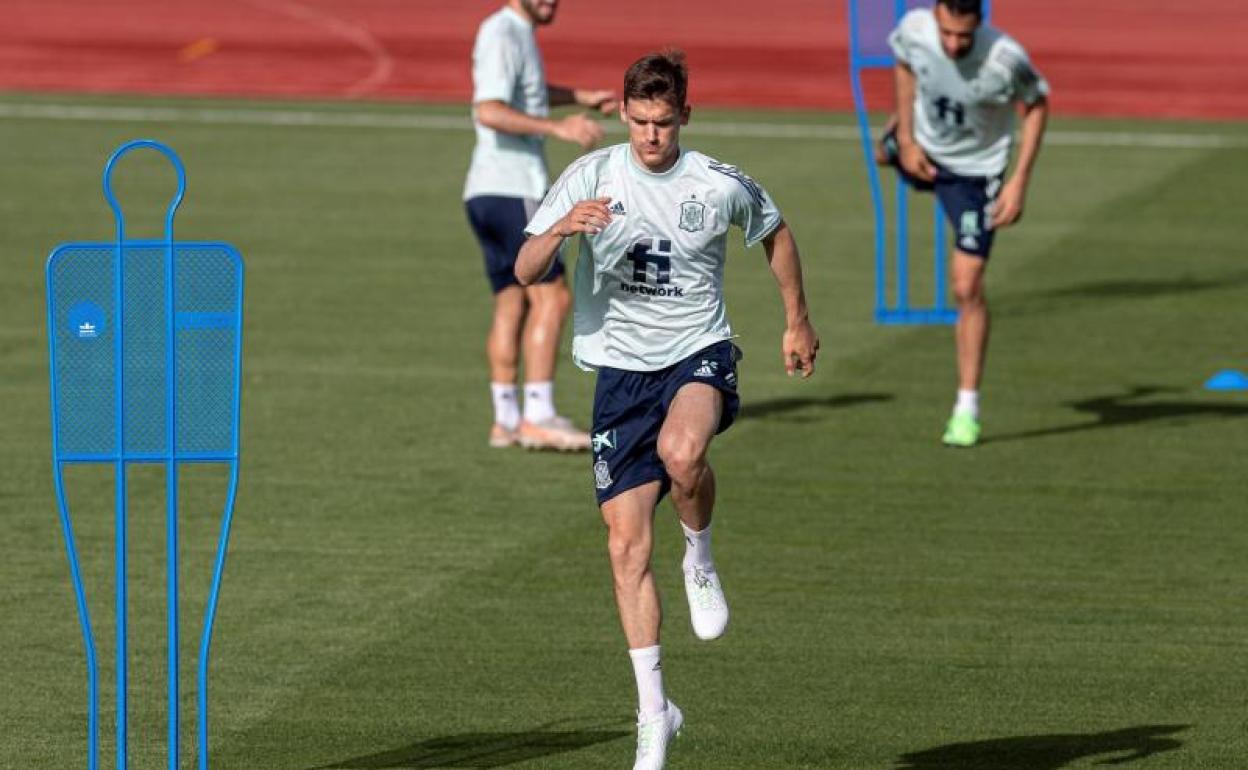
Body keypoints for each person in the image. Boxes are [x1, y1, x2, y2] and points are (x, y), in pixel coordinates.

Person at [516, 50, 819, 770]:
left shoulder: (715, 184)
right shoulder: (589, 176)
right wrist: (563, 229)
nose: (652, 136)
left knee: (685, 455)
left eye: (664, 122)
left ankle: (702, 556)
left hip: (697, 351)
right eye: (641, 122)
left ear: (686, 114)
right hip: (619, 373)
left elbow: (775, 231)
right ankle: (656, 712)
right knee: (624, 548)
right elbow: (525, 267)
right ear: (622, 113)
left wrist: (796, 321)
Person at [877, 0, 1049, 447]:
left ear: (981, 25)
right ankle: (897, 142)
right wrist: (907, 136)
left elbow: (1036, 104)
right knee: (881, 151)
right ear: (936, 16)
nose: (953, 44)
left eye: (964, 37)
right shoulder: (914, 28)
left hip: (976, 173)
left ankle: (966, 407)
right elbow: (904, 64)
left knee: (966, 285)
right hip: (925, 151)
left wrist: (1018, 182)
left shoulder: (1005, 58)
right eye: (947, 33)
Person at [464, 0, 617, 451]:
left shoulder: (514, 32)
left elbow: (521, 94)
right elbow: (488, 109)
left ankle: (506, 418)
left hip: (486, 190)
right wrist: (559, 128)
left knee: (513, 301)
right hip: (514, 186)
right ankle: (539, 413)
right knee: (553, 295)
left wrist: (578, 97)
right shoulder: (503, 32)